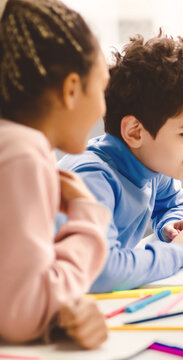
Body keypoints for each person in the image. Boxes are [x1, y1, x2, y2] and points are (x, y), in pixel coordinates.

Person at [58, 32, 183, 292]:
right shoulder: (91, 179)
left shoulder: (151, 166)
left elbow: (175, 202)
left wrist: (171, 225)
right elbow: (102, 270)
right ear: (135, 132)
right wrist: (180, 252)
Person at [0, 0, 110, 349]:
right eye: (103, 89)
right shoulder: (23, 151)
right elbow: (22, 316)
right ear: (72, 88)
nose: (104, 108)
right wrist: (88, 219)